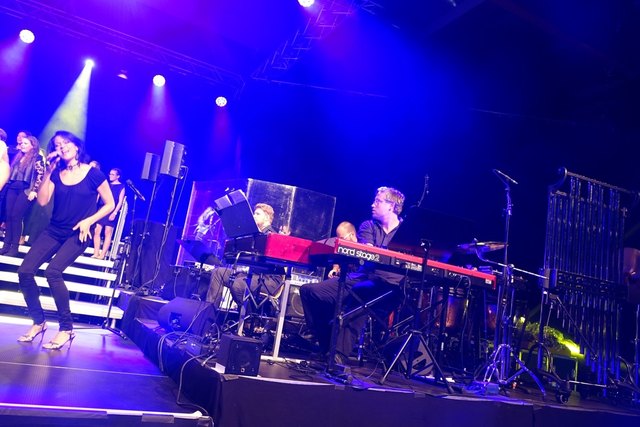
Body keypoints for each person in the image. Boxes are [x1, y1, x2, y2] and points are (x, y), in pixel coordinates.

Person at [16, 130, 115, 350]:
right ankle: (39, 322)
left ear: (76, 146)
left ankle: (66, 328)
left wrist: (89, 220)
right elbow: (42, 201)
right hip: (54, 230)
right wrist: (48, 171)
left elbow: (110, 204)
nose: (62, 147)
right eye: (58, 145)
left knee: (53, 272)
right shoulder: (56, 173)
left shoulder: (93, 174)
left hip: (78, 233)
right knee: (25, 271)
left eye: (66, 142)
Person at [300, 186, 406, 363]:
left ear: (391, 206)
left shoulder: (405, 232)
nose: (372, 204)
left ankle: (338, 355)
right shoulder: (368, 226)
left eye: (378, 201)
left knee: (362, 295)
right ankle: (326, 346)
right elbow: (369, 254)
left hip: (390, 287)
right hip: (361, 278)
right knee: (309, 291)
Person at [205, 203, 283, 310]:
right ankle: (209, 313)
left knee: (238, 284)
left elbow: (267, 261)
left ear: (267, 217)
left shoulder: (272, 236)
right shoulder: (256, 235)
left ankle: (248, 314)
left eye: (257, 214)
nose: (254, 216)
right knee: (218, 273)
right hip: (253, 275)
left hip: (269, 280)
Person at [0, 135, 44, 256]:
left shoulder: (37, 157)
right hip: (13, 187)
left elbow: (40, 174)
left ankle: (14, 247)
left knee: (16, 216)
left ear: (32, 145)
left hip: (25, 190)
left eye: (25, 143)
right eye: (22, 143)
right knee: (9, 216)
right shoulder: (19, 156)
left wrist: (34, 190)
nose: (22, 145)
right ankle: (6, 245)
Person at [92, 168, 125, 259]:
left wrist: (115, 213)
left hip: (111, 210)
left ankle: (102, 254)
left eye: (113, 174)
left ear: (118, 176)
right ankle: (96, 253)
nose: (110, 176)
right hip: (102, 209)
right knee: (97, 231)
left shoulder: (121, 187)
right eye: (110, 174)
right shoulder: (107, 185)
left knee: (107, 232)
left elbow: (120, 202)